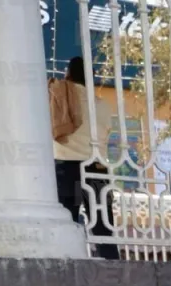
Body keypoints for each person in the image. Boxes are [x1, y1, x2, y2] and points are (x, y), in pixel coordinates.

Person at [53, 56, 120, 260]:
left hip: (68, 167)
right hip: (97, 169)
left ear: (68, 74)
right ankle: (111, 265)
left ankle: (69, 261)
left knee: (69, 221)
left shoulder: (60, 100)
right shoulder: (103, 106)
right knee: (102, 225)